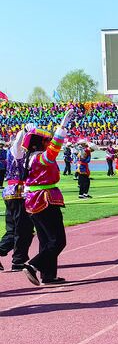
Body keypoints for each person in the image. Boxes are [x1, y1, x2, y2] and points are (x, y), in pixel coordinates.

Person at [23, 108, 75, 285]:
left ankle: (49, 275)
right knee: (58, 241)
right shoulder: (39, 158)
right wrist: (62, 128)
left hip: (36, 200)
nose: (49, 142)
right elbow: (53, 151)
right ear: (38, 144)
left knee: (46, 240)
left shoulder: (29, 157)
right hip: (44, 200)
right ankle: (33, 266)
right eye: (46, 140)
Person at [0, 127, 36, 272]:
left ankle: (17, 258)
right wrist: (24, 131)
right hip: (18, 193)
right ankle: (19, 260)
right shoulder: (17, 152)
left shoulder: (21, 154)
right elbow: (18, 143)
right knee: (24, 229)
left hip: (12, 193)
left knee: (13, 230)